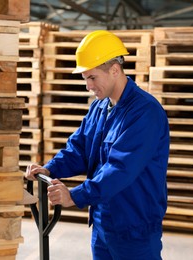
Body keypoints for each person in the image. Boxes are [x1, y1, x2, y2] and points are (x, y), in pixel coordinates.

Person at [25, 30, 170, 260]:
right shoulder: (99, 108)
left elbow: (120, 169)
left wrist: (76, 196)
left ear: (114, 70)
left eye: (92, 78)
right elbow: (79, 149)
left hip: (134, 227)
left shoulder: (144, 112)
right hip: (103, 221)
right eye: (85, 79)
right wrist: (50, 169)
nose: (88, 86)